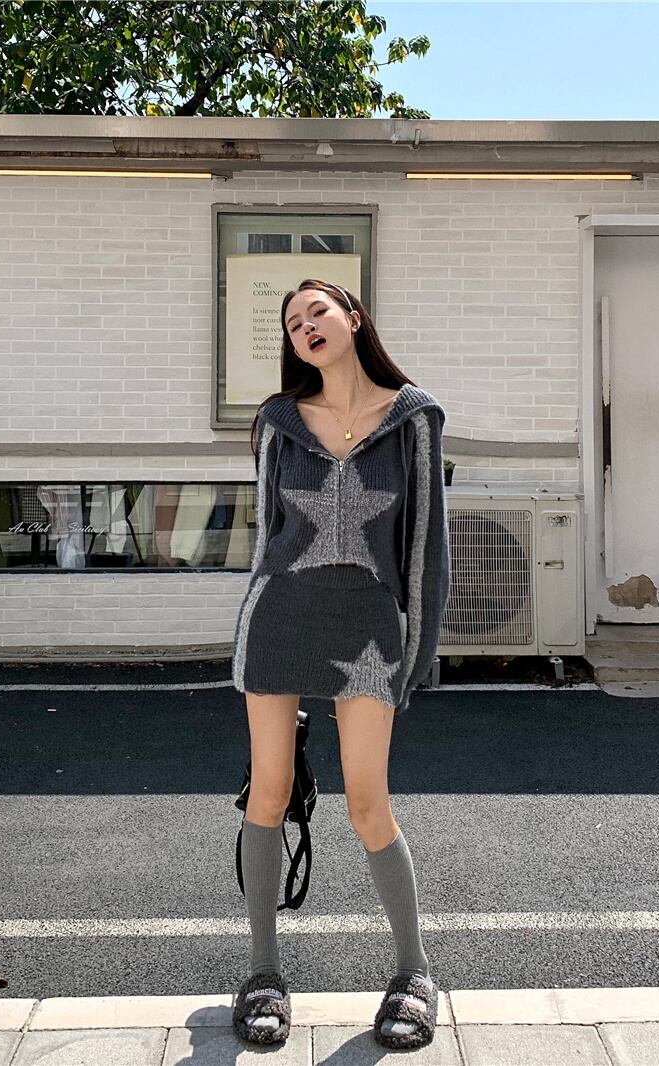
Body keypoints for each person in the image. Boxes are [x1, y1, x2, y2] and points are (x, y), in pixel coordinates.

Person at [230, 278, 450, 1050]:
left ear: (353, 318)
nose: (305, 327)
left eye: (317, 311)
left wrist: (416, 656)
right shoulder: (279, 422)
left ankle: (414, 974)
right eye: (293, 323)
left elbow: (425, 551)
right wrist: (244, 638)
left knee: (367, 803)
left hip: (368, 629)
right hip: (280, 622)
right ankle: (263, 974)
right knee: (269, 793)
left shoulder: (413, 419)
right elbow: (265, 543)